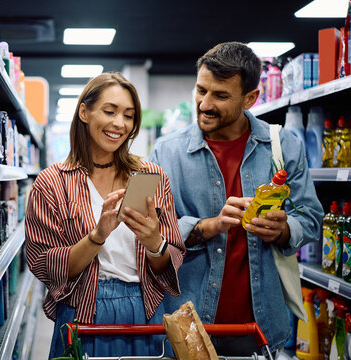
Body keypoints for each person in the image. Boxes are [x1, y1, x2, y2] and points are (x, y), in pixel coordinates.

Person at [149, 42, 324, 356]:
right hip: (187, 325)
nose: (204, 104)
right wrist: (212, 225)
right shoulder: (166, 152)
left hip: (259, 327)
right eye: (201, 90)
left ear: (251, 98)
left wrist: (283, 229)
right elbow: (151, 234)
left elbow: (310, 216)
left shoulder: (283, 146)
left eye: (220, 95)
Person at [25, 72, 186, 359]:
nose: (119, 124)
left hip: (145, 309)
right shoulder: (52, 183)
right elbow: (43, 265)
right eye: (109, 111)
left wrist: (155, 243)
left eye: (128, 115)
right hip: (83, 311)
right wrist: (97, 236)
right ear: (84, 112)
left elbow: (171, 257)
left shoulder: (151, 176)